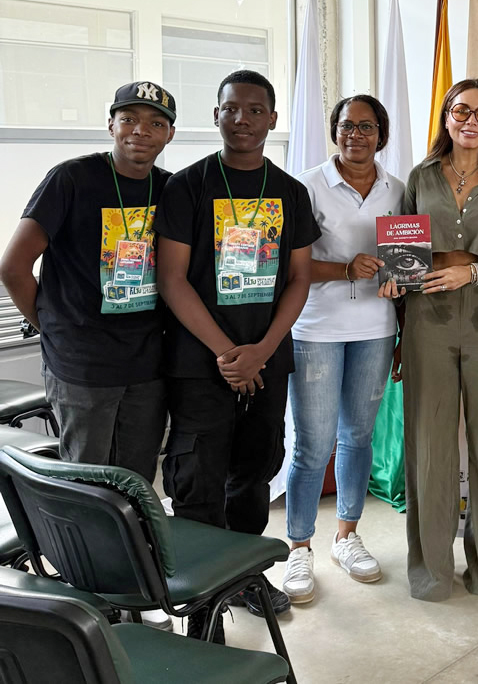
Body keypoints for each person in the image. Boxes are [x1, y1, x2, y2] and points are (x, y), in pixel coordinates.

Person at [155, 70, 319, 638]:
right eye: (231, 109)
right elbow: (171, 278)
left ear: (273, 119)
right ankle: (201, 599)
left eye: (254, 110)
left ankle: (246, 577)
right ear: (216, 115)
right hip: (200, 363)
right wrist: (230, 353)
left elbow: (299, 278)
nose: (242, 119)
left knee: (254, 474)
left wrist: (262, 352)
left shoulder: (290, 192)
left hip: (267, 361)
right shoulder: (188, 186)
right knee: (197, 480)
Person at [380, 78, 478, 601]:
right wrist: (394, 282)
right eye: (462, 111)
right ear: (446, 117)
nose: (472, 121)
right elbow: (402, 246)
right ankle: (431, 574)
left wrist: (473, 272)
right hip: (427, 320)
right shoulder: (421, 176)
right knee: (429, 448)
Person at [0, 81, 174, 486]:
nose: (140, 130)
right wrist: (52, 326)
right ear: (111, 125)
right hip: (82, 362)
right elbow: (13, 267)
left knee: (136, 480)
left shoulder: (170, 188)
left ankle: (132, 534)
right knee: (84, 482)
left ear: (169, 134)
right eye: (128, 118)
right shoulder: (71, 179)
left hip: (148, 361)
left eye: (156, 123)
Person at [279, 95, 404, 604]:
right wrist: (345, 269)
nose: (356, 135)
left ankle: (346, 537)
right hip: (316, 328)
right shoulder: (306, 186)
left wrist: (401, 286)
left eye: (367, 127)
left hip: (377, 327)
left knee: (358, 437)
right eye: (347, 126)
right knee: (313, 444)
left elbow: (406, 260)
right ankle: (298, 546)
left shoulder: (398, 189)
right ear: (334, 131)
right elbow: (289, 265)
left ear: (381, 135)